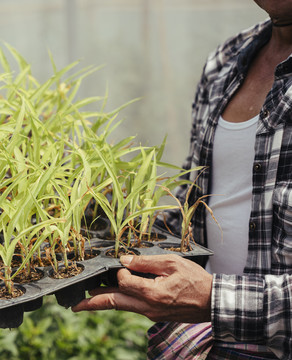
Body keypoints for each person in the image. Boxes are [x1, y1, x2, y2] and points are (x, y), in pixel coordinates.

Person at [72, 1, 292, 359]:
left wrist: (213, 299)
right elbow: (198, 202)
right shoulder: (227, 61)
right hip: (209, 341)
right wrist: (88, 225)